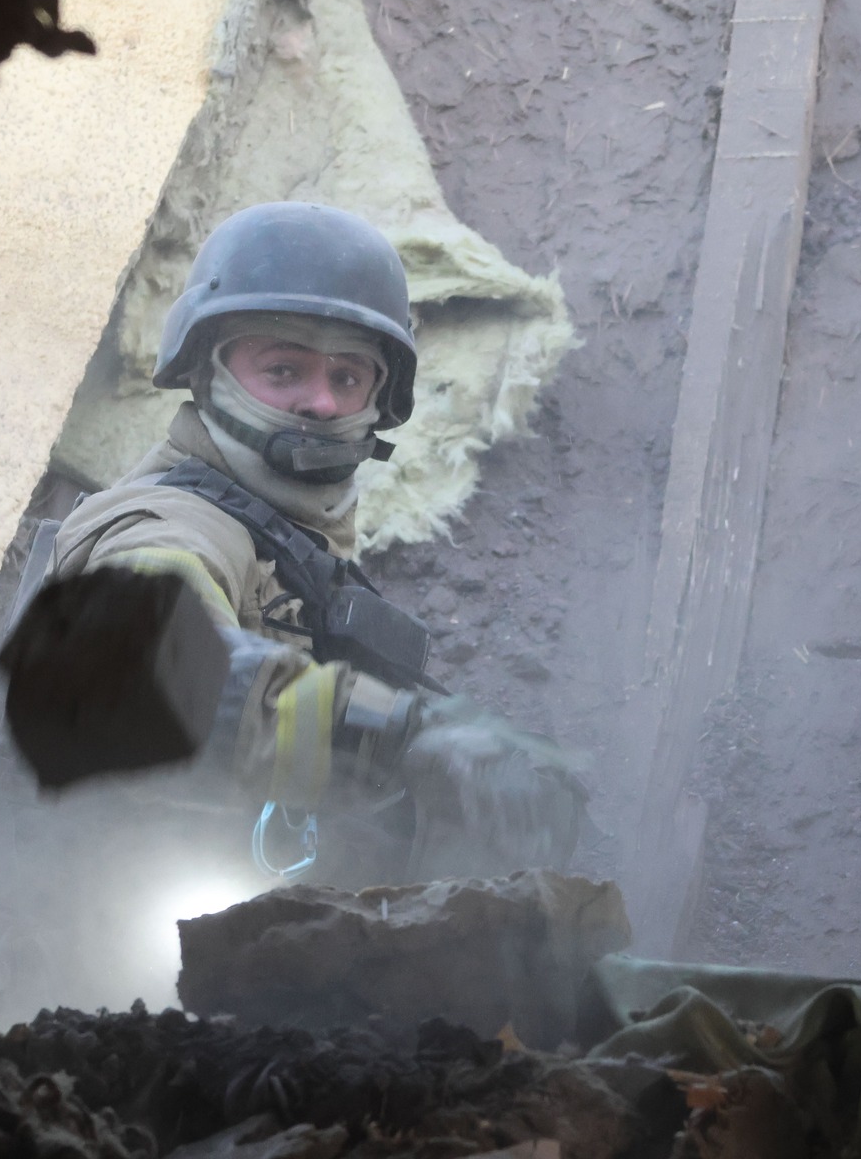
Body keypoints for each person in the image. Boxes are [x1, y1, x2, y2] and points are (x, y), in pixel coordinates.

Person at [48, 200, 587, 886]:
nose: (322, 403)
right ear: (207, 373)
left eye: (347, 376)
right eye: (283, 369)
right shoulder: (168, 523)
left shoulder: (293, 555)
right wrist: (393, 734)